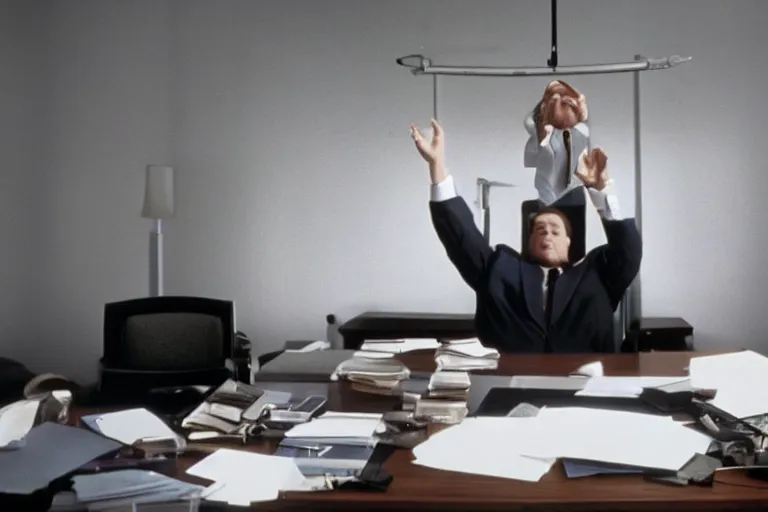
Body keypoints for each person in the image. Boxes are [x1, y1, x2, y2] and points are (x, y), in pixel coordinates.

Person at [410, 119, 642, 353]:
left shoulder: (598, 275)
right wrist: (437, 166)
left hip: (585, 385)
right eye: (540, 230)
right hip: (505, 383)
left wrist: (602, 190)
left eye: (555, 231)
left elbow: (628, 251)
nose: (547, 235)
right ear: (530, 241)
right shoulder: (499, 269)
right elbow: (460, 237)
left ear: (569, 243)